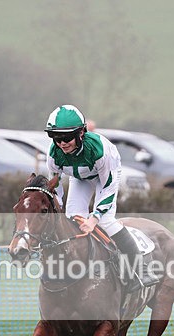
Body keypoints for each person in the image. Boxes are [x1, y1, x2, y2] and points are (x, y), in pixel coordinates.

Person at [44, 104, 156, 290]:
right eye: (56, 137)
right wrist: (58, 211)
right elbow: (55, 187)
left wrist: (94, 218)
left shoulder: (100, 150)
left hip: (105, 177)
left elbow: (108, 188)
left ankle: (140, 268)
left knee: (106, 221)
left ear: (81, 133)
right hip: (80, 178)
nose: (62, 143)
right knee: (72, 220)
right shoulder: (54, 154)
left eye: (67, 137)